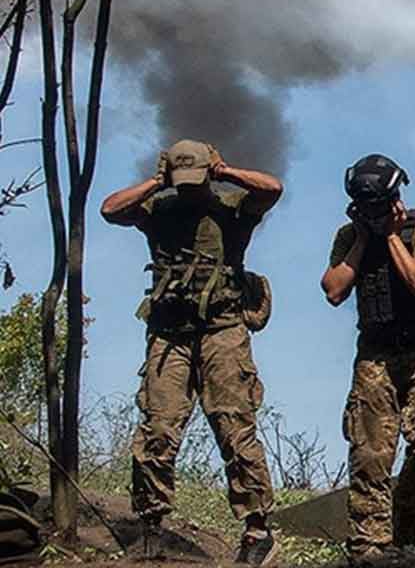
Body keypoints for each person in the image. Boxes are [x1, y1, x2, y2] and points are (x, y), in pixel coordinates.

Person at [101, 139, 282, 565]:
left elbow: (272, 189)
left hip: (223, 331)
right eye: (180, 182)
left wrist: (225, 171)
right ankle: (151, 526)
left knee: (235, 431)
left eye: (194, 180)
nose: (187, 189)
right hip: (169, 335)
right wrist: (155, 182)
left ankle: (257, 531)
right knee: (158, 431)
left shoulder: (232, 207)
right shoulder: (158, 209)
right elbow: (110, 210)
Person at [320, 154, 415, 560]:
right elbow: (333, 290)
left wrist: (392, 236)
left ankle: (405, 530)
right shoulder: (348, 236)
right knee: (370, 453)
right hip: (375, 353)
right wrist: (362, 239)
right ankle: (369, 546)